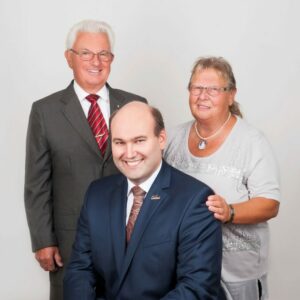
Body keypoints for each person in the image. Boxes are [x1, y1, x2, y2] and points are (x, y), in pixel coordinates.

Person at [24, 20, 146, 300]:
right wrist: (44, 240)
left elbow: (149, 171)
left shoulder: (135, 105)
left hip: (130, 235)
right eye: (86, 53)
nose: (96, 61)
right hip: (71, 241)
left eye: (104, 54)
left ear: (112, 59)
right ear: (70, 58)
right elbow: (37, 184)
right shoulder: (46, 111)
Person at [64, 101, 224, 300]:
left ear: (161, 139)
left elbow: (197, 289)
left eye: (139, 140)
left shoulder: (196, 199)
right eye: (119, 142)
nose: (129, 153)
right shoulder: (97, 194)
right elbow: (80, 269)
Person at [164, 56, 280, 300]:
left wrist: (230, 212)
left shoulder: (252, 142)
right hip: (186, 268)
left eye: (213, 89)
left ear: (231, 94)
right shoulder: (173, 138)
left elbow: (270, 203)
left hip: (236, 271)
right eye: (197, 88)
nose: (202, 95)